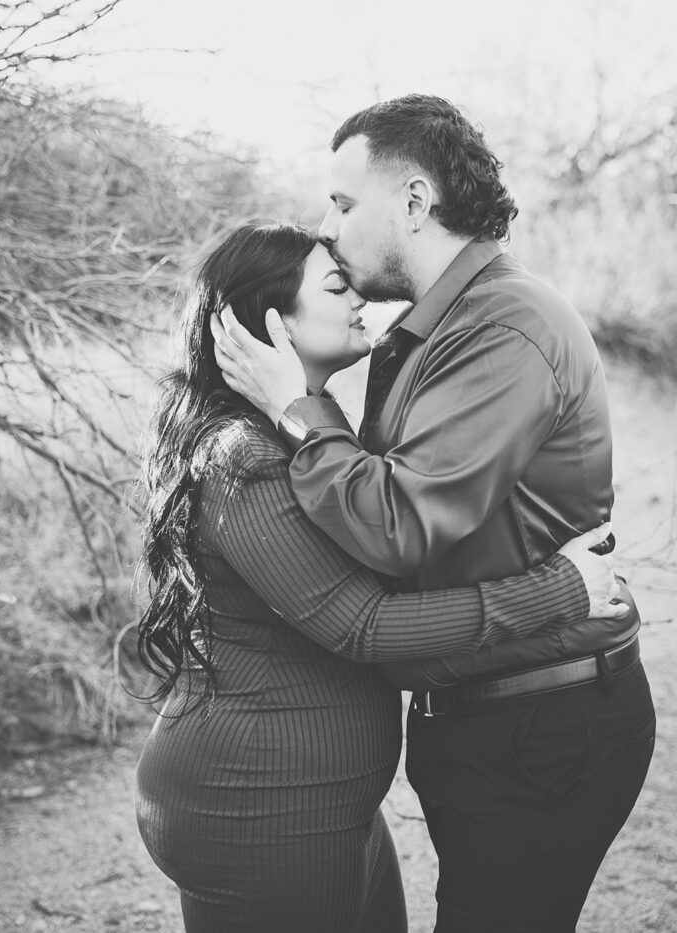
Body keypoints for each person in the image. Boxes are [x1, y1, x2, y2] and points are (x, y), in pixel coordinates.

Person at [214, 95, 656, 931]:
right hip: (491, 716)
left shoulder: (504, 327)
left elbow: (398, 524)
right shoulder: (438, 329)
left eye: (344, 203)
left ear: (415, 202)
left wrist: (296, 412)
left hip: (538, 727)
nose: (329, 225)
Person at [135, 222, 627, 932]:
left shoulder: (291, 437)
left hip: (320, 801)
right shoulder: (243, 458)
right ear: (274, 323)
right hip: (256, 802)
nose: (359, 295)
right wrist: (564, 589)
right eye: (336, 287)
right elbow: (365, 624)